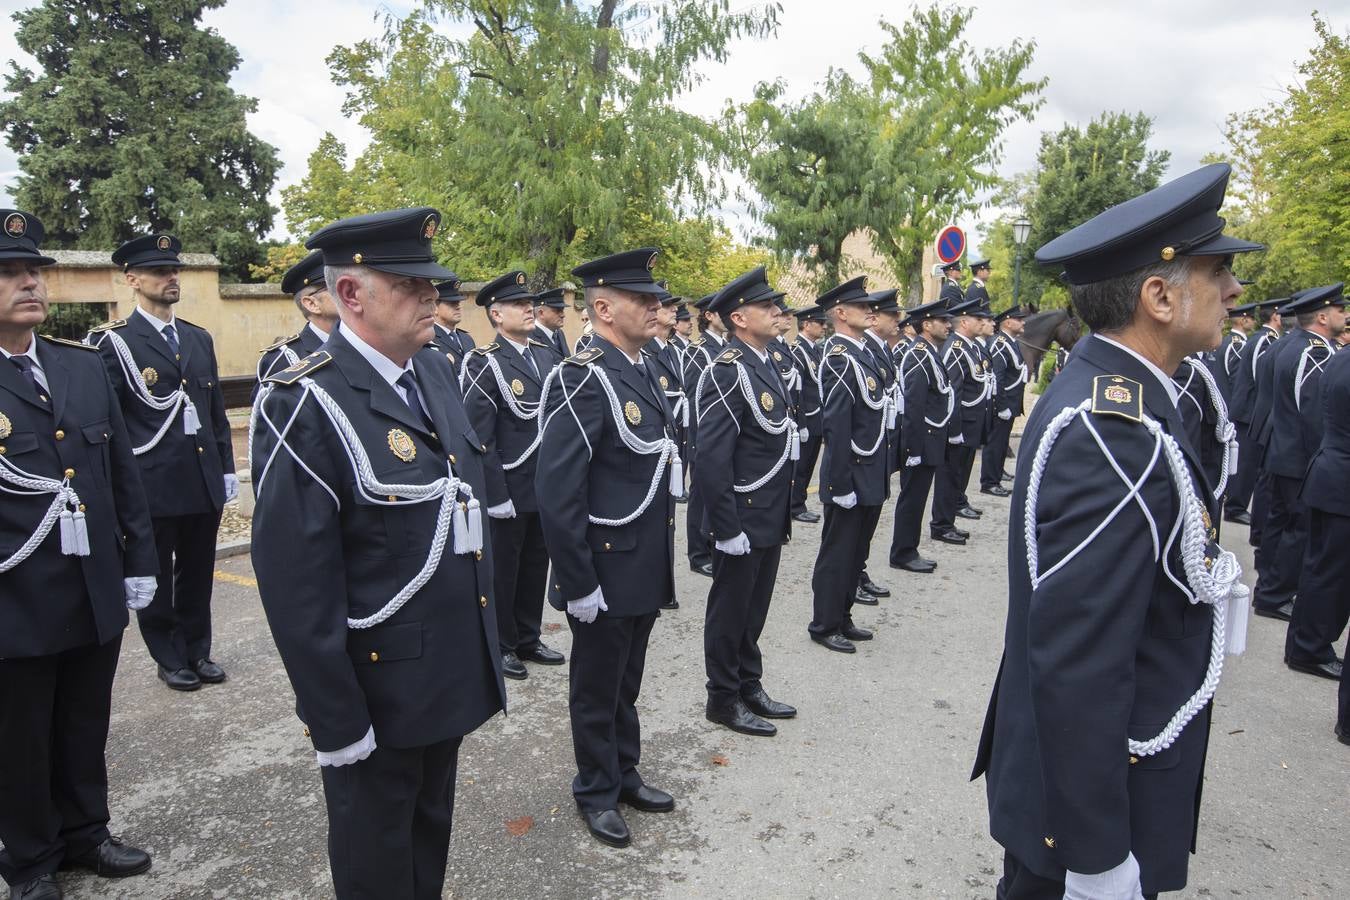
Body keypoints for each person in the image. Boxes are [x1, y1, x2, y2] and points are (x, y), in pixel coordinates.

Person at [972, 163, 1260, 899]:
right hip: (1087, 806)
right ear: (1158, 296)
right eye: (1217, 270)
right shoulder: (1111, 429)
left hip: (1100, 776)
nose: (1234, 290)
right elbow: (1079, 659)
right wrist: (1097, 857)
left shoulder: (1131, 406)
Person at [250, 207, 506, 899]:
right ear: (352, 294)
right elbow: (296, 583)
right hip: (376, 690)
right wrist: (336, 721)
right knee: (375, 853)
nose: (432, 295)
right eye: (410, 283)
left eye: (432, 283)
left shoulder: (434, 374)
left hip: (443, 668)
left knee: (427, 831)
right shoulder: (307, 399)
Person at [0, 210, 157, 900]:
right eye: (9, 273)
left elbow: (121, 470)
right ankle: (30, 859)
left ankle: (86, 833)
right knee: (20, 736)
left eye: (34, 270)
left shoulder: (80, 365)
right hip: (14, 600)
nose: (29, 282)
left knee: (85, 720)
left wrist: (141, 559)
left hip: (91, 585)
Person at [535, 248, 680, 849]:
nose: (656, 307)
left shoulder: (640, 366)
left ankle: (625, 771)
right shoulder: (583, 377)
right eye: (642, 299)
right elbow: (557, 492)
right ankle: (595, 788)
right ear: (602, 307)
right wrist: (579, 582)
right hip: (603, 562)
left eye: (654, 298)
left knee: (626, 680)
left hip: (641, 557)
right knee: (597, 686)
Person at [87, 233, 235, 692]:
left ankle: (198, 649)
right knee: (154, 572)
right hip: (151, 479)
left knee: (197, 571)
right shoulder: (112, 344)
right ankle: (168, 655)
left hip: (200, 476)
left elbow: (213, 412)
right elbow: (112, 420)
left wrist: (226, 466)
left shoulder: (197, 337)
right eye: (158, 271)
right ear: (131, 279)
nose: (171, 278)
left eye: (174, 270)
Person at [695, 267, 798, 735]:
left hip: (769, 510)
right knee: (730, 607)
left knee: (755, 606)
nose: (778, 313)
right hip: (742, 511)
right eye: (767, 307)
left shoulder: (766, 359)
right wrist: (726, 526)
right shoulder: (727, 369)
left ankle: (748, 682)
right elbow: (712, 459)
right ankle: (722, 696)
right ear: (739, 317)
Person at [460, 271, 566, 682]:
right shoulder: (484, 362)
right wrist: (494, 494)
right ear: (496, 314)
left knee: (536, 562)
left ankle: (528, 636)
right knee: (503, 569)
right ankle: (502, 644)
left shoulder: (544, 354)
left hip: (542, 484)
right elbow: (479, 435)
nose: (529, 308)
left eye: (530, 303)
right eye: (519, 304)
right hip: (508, 485)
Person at [806, 276, 891, 654]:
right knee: (838, 553)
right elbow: (836, 426)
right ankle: (824, 624)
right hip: (851, 472)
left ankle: (843, 616)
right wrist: (840, 484)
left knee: (856, 552)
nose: (870, 311)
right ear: (840, 313)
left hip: (869, 468)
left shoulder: (862, 352)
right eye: (861, 306)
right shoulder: (840, 357)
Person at [1251, 287, 1343, 622]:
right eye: (1339, 311)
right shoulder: (1315, 352)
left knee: (1280, 523)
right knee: (1297, 529)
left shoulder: (1288, 344)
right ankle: (1275, 595)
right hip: (1299, 455)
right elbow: (1313, 412)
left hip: (1283, 448)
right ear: (1322, 316)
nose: (1344, 317)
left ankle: (1269, 590)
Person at [890, 300, 955, 574]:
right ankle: (903, 552)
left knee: (918, 496)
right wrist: (913, 449)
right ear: (926, 325)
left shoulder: (929, 351)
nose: (948, 325)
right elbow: (913, 405)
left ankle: (909, 548)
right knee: (912, 497)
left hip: (931, 436)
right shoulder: (919, 354)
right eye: (942, 321)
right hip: (922, 438)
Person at [930, 298, 990, 546]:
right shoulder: (956, 348)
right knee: (949, 475)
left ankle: (948, 520)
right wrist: (953, 430)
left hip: (970, 425)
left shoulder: (970, 346)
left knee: (959, 475)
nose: (984, 323)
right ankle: (941, 525)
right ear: (964, 321)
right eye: (978, 319)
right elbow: (952, 392)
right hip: (960, 426)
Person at [683, 293, 726, 577]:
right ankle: (698, 554)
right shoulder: (698, 351)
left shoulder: (728, 347)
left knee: (718, 489)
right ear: (708, 316)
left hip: (724, 434)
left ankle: (714, 541)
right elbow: (697, 398)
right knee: (700, 493)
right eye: (723, 311)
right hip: (705, 433)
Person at [254, 249, 338, 395]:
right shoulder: (282, 359)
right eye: (334, 286)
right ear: (312, 304)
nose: (348, 291)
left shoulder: (368, 343)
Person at [979, 305, 1029, 494]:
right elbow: (998, 376)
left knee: (1001, 442)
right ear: (1008, 322)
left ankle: (996, 475)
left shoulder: (1011, 341)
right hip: (1003, 402)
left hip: (1011, 402)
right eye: (1019, 319)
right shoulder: (1000, 342)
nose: (1023, 322)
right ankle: (990, 482)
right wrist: (1001, 405)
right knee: (995, 443)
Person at [789, 305, 827, 524]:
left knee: (810, 463)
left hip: (817, 415)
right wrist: (801, 422)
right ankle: (795, 505)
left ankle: (799, 502)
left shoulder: (815, 349)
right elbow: (798, 390)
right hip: (807, 416)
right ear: (806, 324)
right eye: (819, 323)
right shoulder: (798, 350)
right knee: (801, 466)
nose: (824, 326)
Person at [432, 278, 475, 372]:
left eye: (458, 303)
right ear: (435, 308)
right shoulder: (429, 340)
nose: (458, 307)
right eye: (451, 303)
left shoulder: (466, 339)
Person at [532, 287, 570, 359]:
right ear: (541, 313)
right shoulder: (530, 337)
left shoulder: (559, 333)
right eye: (558, 311)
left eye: (562, 310)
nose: (563, 315)